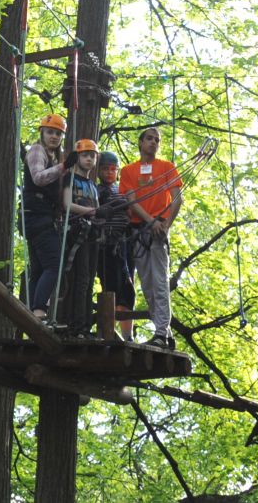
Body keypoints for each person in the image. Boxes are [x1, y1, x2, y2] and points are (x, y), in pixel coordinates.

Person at [118, 126, 184, 348]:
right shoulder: (128, 171)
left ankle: (161, 332)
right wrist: (151, 221)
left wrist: (165, 224)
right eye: (149, 138)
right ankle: (163, 331)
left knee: (159, 282)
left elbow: (177, 198)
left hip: (157, 233)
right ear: (140, 142)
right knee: (147, 284)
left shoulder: (166, 167)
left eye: (157, 140)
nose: (153, 142)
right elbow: (131, 201)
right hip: (140, 231)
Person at [21, 113, 70, 319]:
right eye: (50, 132)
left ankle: (33, 311)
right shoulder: (37, 150)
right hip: (36, 215)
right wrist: (64, 167)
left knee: (40, 268)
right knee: (54, 264)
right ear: (42, 133)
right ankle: (39, 311)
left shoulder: (54, 157)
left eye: (58, 134)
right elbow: (39, 178)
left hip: (41, 215)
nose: (54, 137)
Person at [96, 149, 137, 339]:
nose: (109, 172)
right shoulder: (96, 191)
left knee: (127, 289)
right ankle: (108, 333)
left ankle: (127, 334)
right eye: (105, 169)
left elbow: (131, 212)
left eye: (113, 169)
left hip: (124, 245)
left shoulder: (122, 190)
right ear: (99, 170)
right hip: (105, 246)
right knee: (110, 288)